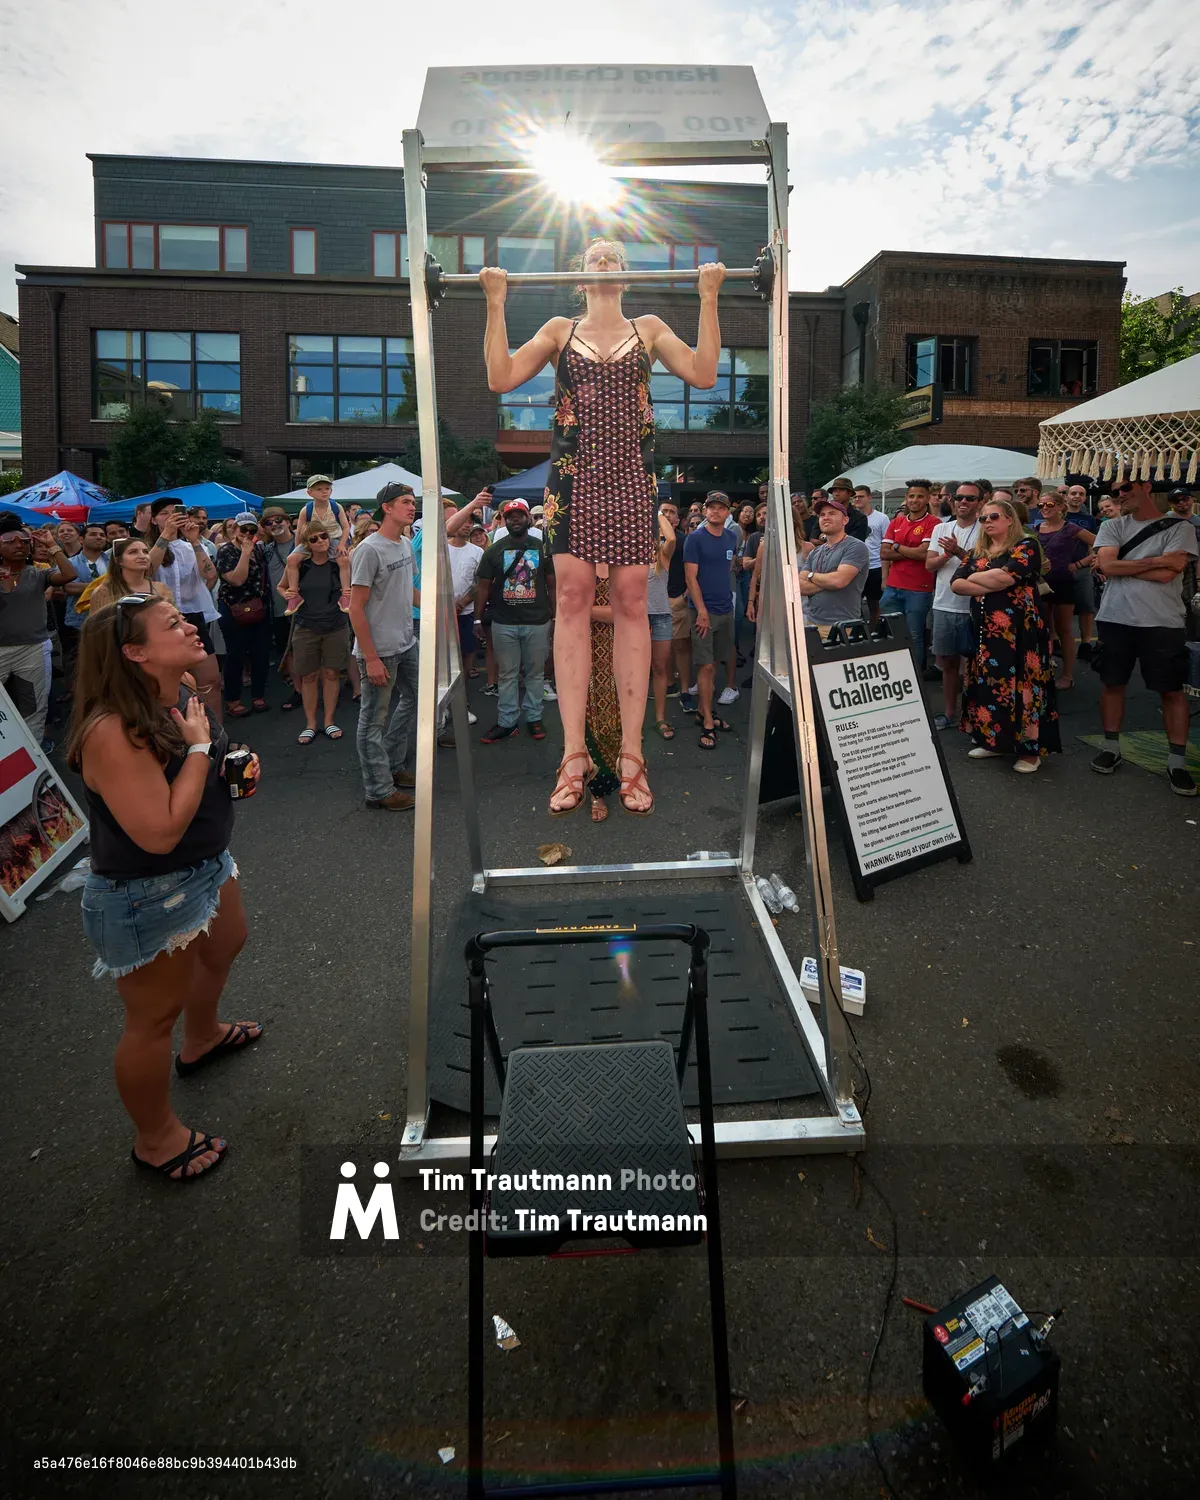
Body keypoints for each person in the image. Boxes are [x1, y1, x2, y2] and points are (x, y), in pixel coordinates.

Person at [481, 238, 726, 815]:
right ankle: (572, 755)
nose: (607, 259)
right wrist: (495, 303)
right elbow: (500, 377)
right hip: (573, 477)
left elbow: (706, 373)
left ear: (626, 277)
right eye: (597, 255)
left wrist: (709, 298)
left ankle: (632, 755)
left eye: (616, 256)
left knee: (633, 599)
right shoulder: (560, 328)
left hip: (631, 477)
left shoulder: (649, 327)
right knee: (570, 596)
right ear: (582, 276)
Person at [67, 595, 261, 1182]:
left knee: (228, 941)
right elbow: (157, 834)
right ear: (135, 652)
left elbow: (201, 768)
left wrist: (233, 762)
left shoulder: (177, 694)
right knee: (152, 1019)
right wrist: (202, 749)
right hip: (146, 888)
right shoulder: (111, 730)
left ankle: (201, 1039)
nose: (191, 626)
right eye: (172, 624)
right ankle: (155, 1139)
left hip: (205, 864)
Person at [1089, 472, 1198, 795]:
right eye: (1115, 491)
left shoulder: (1181, 527)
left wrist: (1125, 562)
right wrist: (1154, 562)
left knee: (1171, 691)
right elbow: (1108, 567)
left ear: (1146, 487)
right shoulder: (1112, 526)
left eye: (1126, 488)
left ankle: (1176, 761)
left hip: (1162, 621)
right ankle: (1112, 747)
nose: (1120, 495)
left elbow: (1171, 573)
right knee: (1112, 683)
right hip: (1115, 618)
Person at [951, 497, 1060, 772]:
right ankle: (994, 742)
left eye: (994, 516)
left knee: (1022, 687)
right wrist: (988, 576)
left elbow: (1006, 578)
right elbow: (956, 584)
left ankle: (1028, 752)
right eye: (984, 518)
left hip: (1021, 633)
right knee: (989, 685)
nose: (988, 522)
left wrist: (976, 578)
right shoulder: (977, 550)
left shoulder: (1026, 545)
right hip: (985, 633)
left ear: (1010, 519)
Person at [348, 482, 419, 811]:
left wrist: (442, 604)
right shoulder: (369, 549)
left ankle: (392, 764)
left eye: (413, 501)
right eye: (405, 501)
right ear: (386, 508)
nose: (412, 506)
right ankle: (378, 789)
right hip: (379, 651)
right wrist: (371, 658)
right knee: (372, 720)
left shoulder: (405, 544)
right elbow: (355, 607)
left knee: (418, 699)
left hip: (406, 643)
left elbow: (409, 593)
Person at [473, 499, 554, 745]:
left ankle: (534, 717)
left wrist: (556, 617)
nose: (515, 519)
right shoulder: (494, 551)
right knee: (507, 675)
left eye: (520, 515)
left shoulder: (542, 547)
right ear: (504, 521)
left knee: (535, 673)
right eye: (510, 516)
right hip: (504, 623)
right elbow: (482, 587)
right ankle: (507, 722)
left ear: (528, 519)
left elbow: (552, 584)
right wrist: (477, 619)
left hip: (537, 622)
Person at [0, 515, 80, 741]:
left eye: (24, 542)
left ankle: (32, 753)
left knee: (33, 706)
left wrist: (53, 545)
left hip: (32, 650)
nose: (19, 545)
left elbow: (69, 574)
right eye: (10, 541)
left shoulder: (39, 573)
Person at [146, 498, 222, 723]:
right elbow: (147, 570)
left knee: (211, 681)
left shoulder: (190, 546)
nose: (171, 517)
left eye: (175, 512)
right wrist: (165, 536)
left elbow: (210, 574)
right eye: (164, 514)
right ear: (153, 519)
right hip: (160, 620)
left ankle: (217, 734)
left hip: (193, 616)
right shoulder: (146, 547)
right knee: (170, 685)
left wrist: (195, 541)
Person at [279, 520, 352, 744]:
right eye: (313, 539)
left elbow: (353, 585)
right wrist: (289, 596)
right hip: (306, 625)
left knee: (331, 674)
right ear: (306, 544)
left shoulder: (338, 562)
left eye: (323, 536)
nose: (320, 541)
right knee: (309, 676)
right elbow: (281, 587)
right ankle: (311, 724)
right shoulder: (300, 564)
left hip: (335, 624)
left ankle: (329, 721)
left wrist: (343, 567)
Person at [926, 483, 983, 728]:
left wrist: (958, 551)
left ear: (980, 502)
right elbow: (930, 565)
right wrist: (948, 554)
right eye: (959, 497)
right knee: (948, 663)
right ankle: (950, 713)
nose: (963, 502)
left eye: (970, 498)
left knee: (976, 665)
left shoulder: (987, 529)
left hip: (974, 605)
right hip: (944, 605)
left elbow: (985, 566)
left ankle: (975, 715)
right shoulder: (941, 528)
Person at [685, 491, 737, 751]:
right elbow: (691, 578)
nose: (716, 511)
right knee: (704, 667)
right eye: (711, 507)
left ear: (728, 512)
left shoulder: (731, 536)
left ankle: (704, 710)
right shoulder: (695, 539)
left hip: (726, 609)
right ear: (705, 511)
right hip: (703, 613)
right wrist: (702, 611)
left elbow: (727, 568)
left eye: (721, 508)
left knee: (714, 664)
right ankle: (707, 720)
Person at [1034, 490, 1095, 690]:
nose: (1044, 508)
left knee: (1065, 630)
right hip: (1040, 584)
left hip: (1063, 583)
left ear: (1061, 507)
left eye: (1049, 504)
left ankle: (1068, 675)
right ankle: (1044, 670)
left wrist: (1079, 564)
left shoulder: (1071, 528)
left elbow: (1100, 542)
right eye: (1041, 505)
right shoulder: (1035, 529)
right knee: (1042, 629)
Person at [215, 513, 273, 718]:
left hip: (259, 607)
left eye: (252, 530)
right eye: (243, 530)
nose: (247, 534)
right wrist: (245, 554)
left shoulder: (259, 549)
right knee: (236, 656)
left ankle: (258, 695)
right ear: (234, 529)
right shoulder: (226, 551)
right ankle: (233, 700)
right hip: (233, 609)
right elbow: (237, 580)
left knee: (260, 654)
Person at [879, 479, 939, 667]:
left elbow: (923, 554)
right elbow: (883, 553)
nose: (915, 500)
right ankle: (895, 673)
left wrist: (896, 546)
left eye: (920, 496)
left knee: (914, 635)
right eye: (911, 496)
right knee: (891, 634)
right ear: (906, 498)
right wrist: (909, 551)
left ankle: (916, 678)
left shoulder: (934, 523)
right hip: (892, 587)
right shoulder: (896, 522)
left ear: (927, 499)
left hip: (918, 589)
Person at [583, 566, 621, 820]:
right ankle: (596, 790)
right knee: (586, 719)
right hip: (583, 651)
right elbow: (566, 608)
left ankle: (624, 771)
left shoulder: (626, 565)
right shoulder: (578, 564)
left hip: (622, 652)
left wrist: (587, 611)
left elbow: (631, 612)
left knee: (621, 720)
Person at [798, 496, 871, 627]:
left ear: (845, 520)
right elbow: (799, 587)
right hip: (812, 623)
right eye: (822, 515)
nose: (826, 517)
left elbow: (838, 581)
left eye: (832, 513)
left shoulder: (855, 547)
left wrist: (811, 576)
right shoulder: (815, 552)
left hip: (842, 626)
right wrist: (828, 581)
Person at [76, 536, 174, 615]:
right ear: (118, 560)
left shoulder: (162, 588)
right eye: (133, 552)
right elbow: (96, 630)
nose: (142, 556)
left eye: (145, 552)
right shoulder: (104, 592)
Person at [661, 501, 695, 711]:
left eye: (671, 512)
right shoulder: (645, 539)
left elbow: (693, 571)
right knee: (661, 648)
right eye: (663, 510)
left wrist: (685, 596)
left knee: (681, 647)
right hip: (652, 602)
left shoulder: (685, 541)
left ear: (677, 519)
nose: (667, 514)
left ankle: (684, 690)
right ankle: (668, 684)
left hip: (676, 599)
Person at [648, 506, 677, 740]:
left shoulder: (662, 555)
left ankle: (660, 717)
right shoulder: (629, 554)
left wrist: (654, 510)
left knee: (660, 669)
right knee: (633, 671)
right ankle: (630, 723)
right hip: (635, 618)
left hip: (660, 616)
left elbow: (672, 536)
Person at [853, 485, 890, 622]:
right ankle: (858, 633)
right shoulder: (849, 518)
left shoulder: (882, 518)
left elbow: (886, 543)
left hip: (875, 566)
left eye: (861, 496)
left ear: (869, 497)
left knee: (875, 604)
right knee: (854, 604)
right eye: (855, 496)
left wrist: (885, 575)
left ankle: (874, 633)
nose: (857, 499)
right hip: (855, 566)